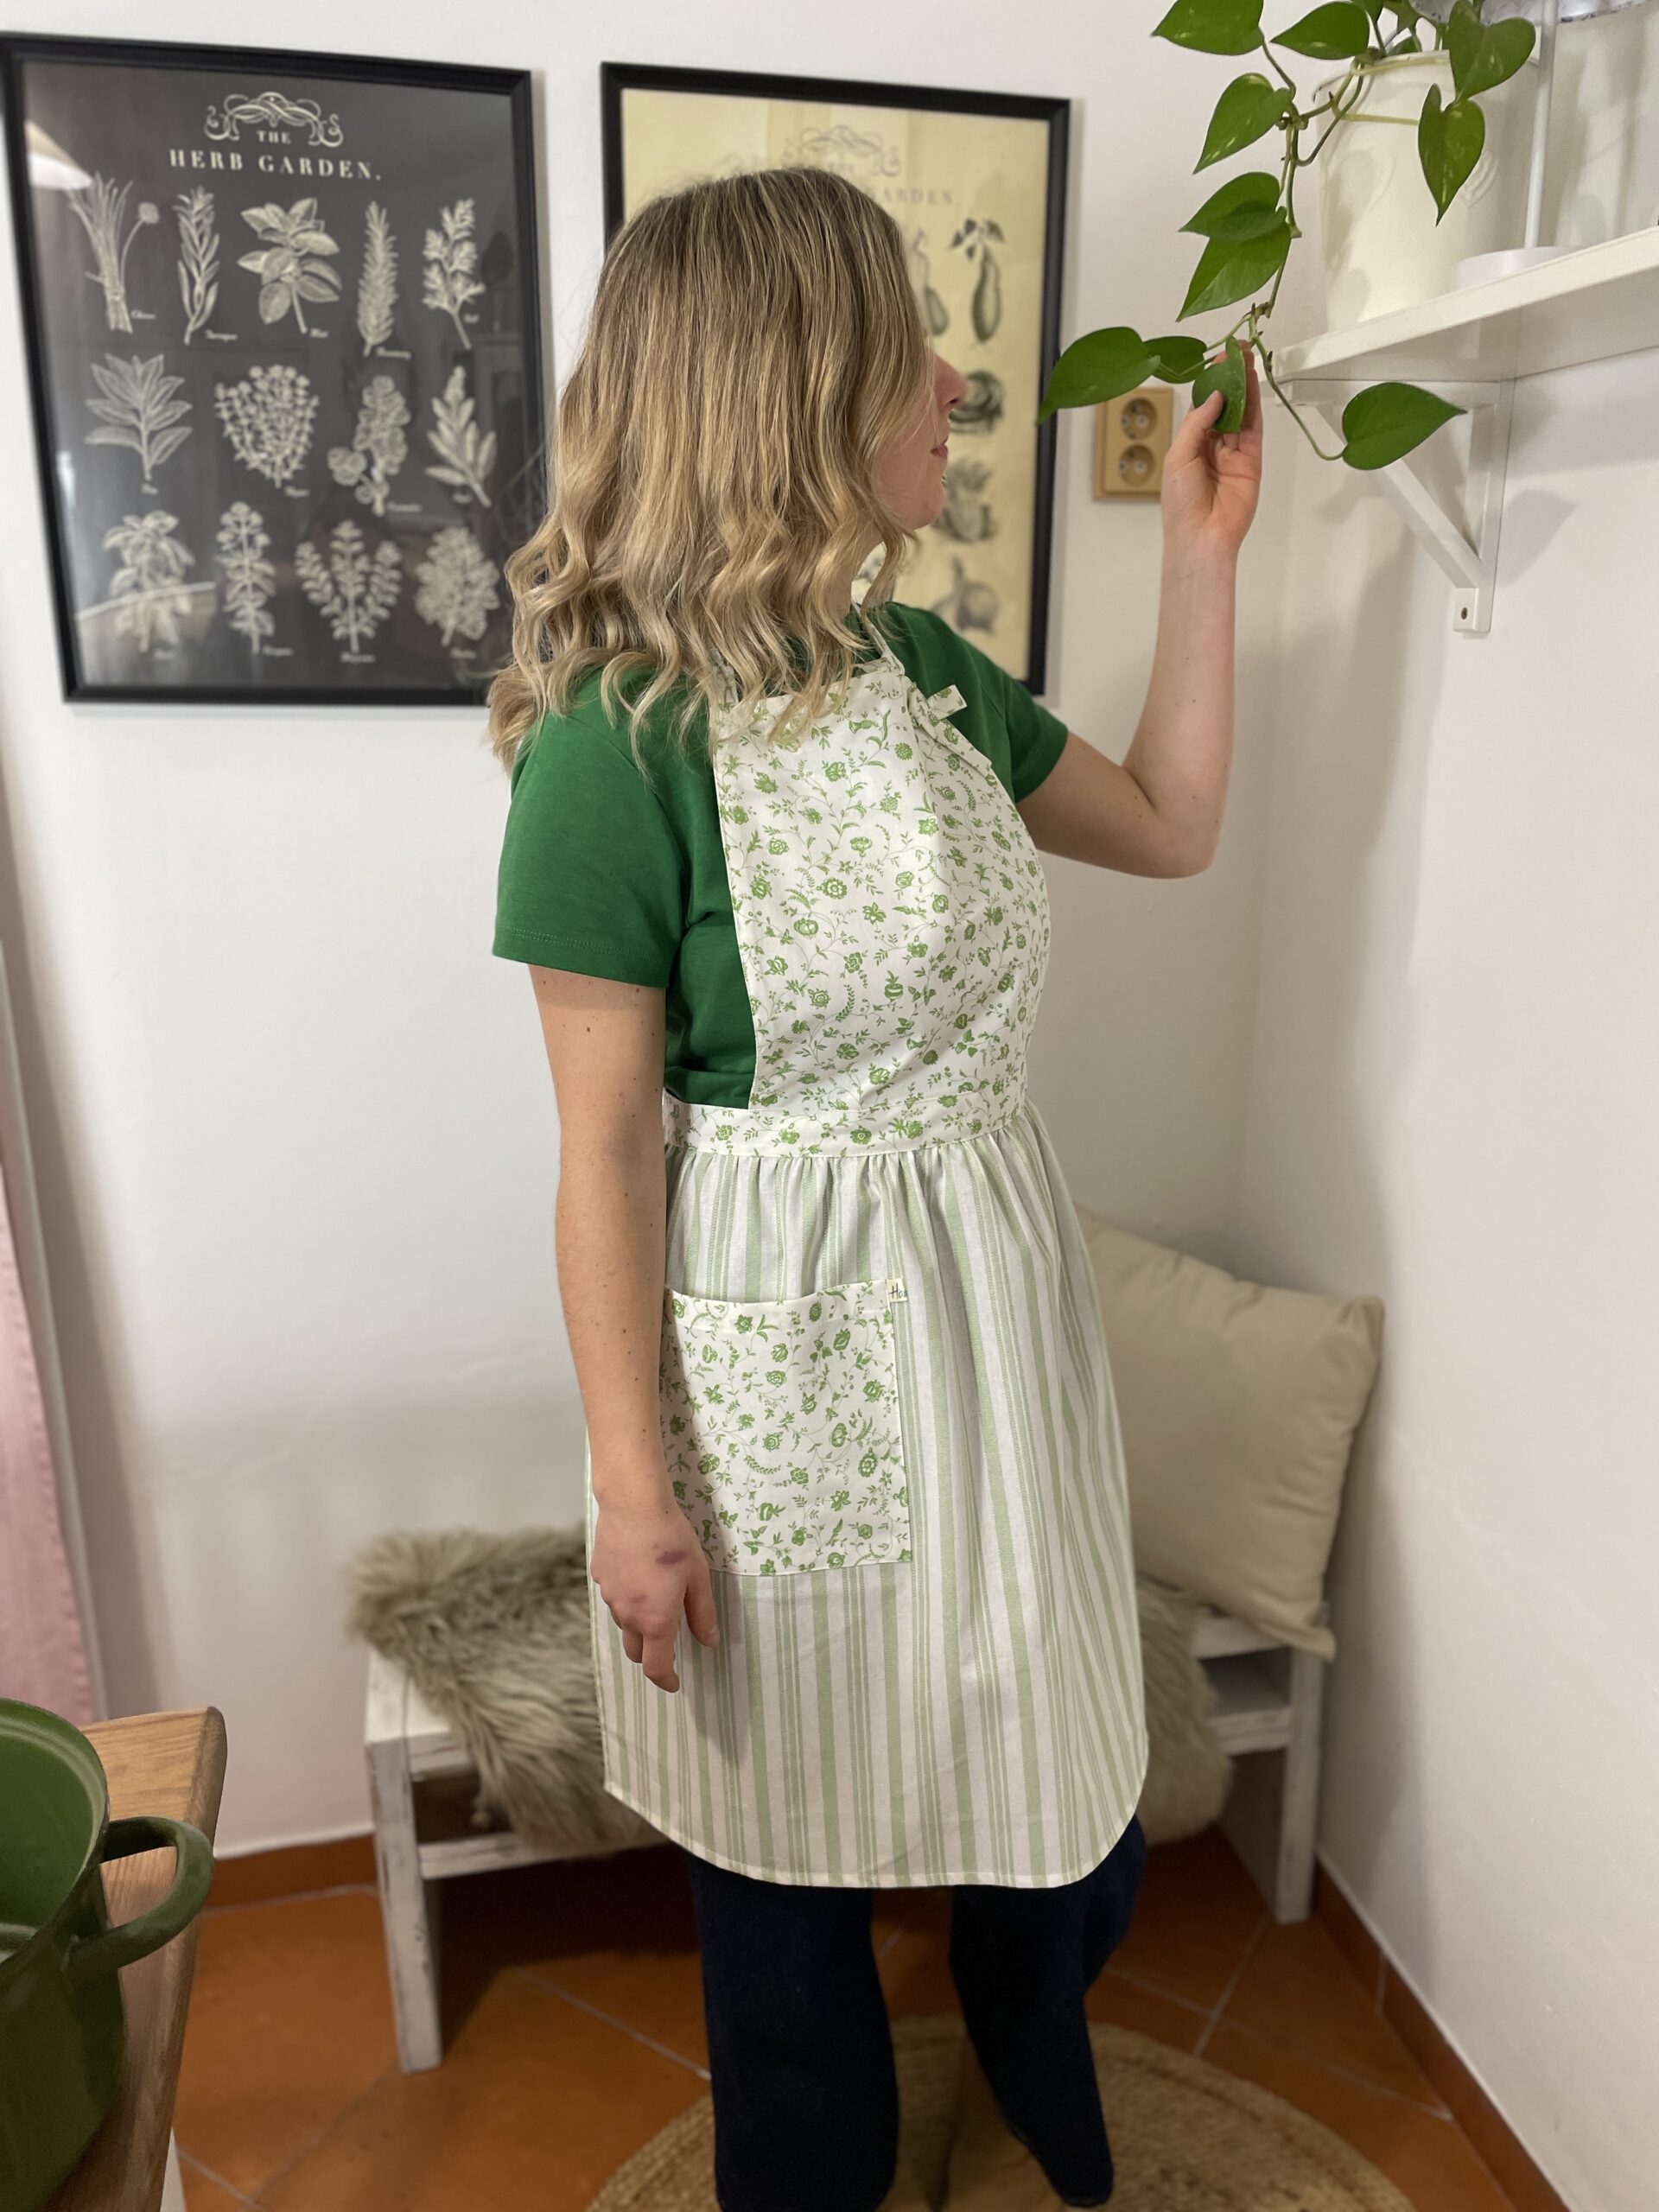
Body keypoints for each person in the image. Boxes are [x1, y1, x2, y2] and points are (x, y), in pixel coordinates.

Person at [489, 165, 1262, 2212]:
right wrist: (632, 1490)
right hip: (780, 1363)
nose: (950, 381)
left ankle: (1025, 2027)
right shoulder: (612, 743)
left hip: (1001, 1313)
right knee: (781, 1862)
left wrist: (1202, 557)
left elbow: (1174, 823)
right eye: (907, 344)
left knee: (1062, 1787)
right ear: (797, 387)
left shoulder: (928, 671)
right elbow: (599, 1150)